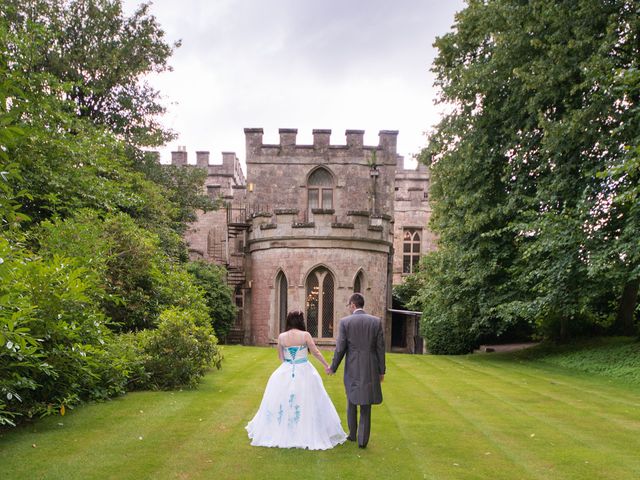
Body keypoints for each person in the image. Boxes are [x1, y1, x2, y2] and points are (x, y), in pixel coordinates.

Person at [246, 310, 347, 450]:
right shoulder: (305, 335)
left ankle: (285, 428)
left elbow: (280, 357)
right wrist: (326, 365)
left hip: (286, 369)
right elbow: (316, 352)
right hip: (304, 369)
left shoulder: (281, 337)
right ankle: (304, 427)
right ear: (301, 321)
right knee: (307, 399)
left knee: (283, 399)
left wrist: (288, 366)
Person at [327, 293, 386, 449]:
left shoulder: (345, 322)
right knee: (366, 404)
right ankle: (362, 440)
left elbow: (340, 348)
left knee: (351, 400)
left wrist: (333, 367)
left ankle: (352, 434)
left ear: (353, 305)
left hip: (352, 366)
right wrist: (382, 371)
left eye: (349, 305)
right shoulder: (376, 322)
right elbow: (381, 348)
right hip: (371, 366)